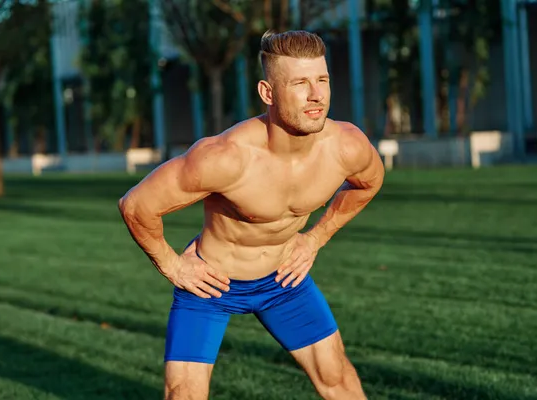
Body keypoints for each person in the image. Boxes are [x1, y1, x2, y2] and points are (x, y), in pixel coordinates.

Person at [118, 30, 384, 400]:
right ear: (268, 93)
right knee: (183, 394)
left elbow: (370, 182)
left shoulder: (346, 147)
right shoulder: (224, 158)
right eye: (300, 83)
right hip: (212, 285)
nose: (316, 95)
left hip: (284, 280)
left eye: (322, 80)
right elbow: (136, 205)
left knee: (336, 377)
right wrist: (173, 266)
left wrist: (316, 238)